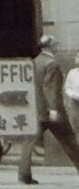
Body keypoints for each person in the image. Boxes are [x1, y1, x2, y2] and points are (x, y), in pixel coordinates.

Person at [19, 35, 79, 184]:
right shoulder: (52, 64)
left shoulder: (33, 62)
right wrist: (53, 109)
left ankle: (24, 174)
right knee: (70, 141)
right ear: (49, 47)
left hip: (35, 110)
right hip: (51, 112)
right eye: (55, 45)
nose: (57, 47)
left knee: (28, 142)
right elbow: (50, 88)